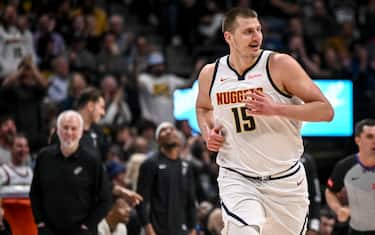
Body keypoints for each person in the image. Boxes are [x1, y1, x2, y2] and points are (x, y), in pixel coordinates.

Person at [196, 7, 334, 235]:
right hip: (237, 176)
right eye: (248, 31)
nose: (257, 36)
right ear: (229, 37)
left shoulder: (280, 65)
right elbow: (203, 107)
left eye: (258, 30)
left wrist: (275, 109)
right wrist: (207, 132)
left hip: (285, 180)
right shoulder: (211, 74)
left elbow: (326, 111)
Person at [30, 110, 112, 235]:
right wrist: (40, 222)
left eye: (74, 129)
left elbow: (105, 199)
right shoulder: (44, 157)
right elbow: (35, 193)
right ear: (57, 131)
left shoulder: (92, 160)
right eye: (65, 128)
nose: (69, 132)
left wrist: (87, 226)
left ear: (80, 133)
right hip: (49, 231)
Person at [136, 122, 196, 235]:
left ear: (178, 138)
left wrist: (192, 228)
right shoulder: (150, 163)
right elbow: (141, 200)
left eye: (172, 129)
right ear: (158, 140)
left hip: (181, 229)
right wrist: (148, 228)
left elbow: (191, 200)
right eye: (163, 130)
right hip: (158, 230)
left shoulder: (186, 165)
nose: (169, 131)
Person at [325, 119, 375, 235]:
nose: (374, 141)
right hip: (356, 229)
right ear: (358, 140)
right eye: (369, 137)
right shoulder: (345, 166)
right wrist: (339, 209)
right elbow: (330, 192)